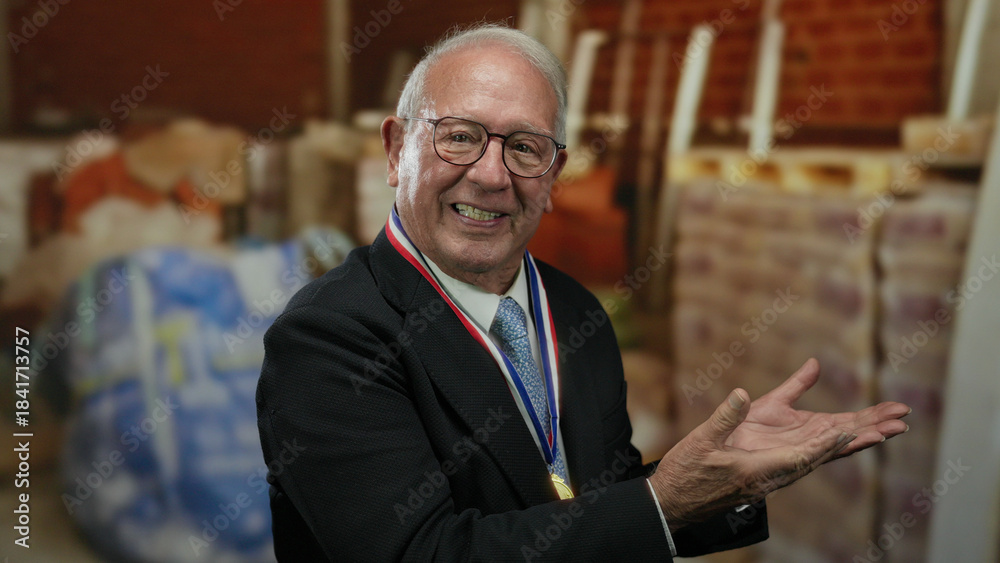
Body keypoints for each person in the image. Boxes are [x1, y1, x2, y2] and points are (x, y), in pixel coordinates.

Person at [256, 24, 910, 561]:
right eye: (459, 135)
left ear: (554, 173)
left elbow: (589, 501)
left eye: (524, 147)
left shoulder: (572, 312)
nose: (490, 174)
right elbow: (420, 553)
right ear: (398, 150)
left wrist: (720, 477)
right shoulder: (330, 337)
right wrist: (662, 501)